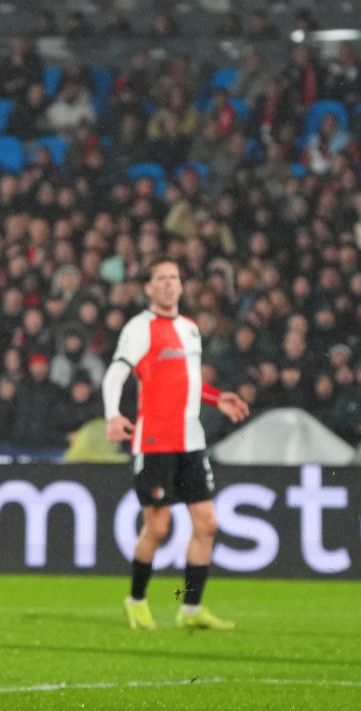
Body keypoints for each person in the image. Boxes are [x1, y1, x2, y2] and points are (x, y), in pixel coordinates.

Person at [103, 258, 251, 631]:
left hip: (191, 441)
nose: (170, 284)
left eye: (175, 278)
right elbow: (116, 373)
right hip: (154, 442)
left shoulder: (190, 329)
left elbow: (187, 381)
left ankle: (190, 608)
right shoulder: (140, 328)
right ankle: (136, 600)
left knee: (207, 524)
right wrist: (112, 414)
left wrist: (219, 399)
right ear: (149, 288)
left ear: (181, 287)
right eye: (161, 279)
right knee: (158, 528)